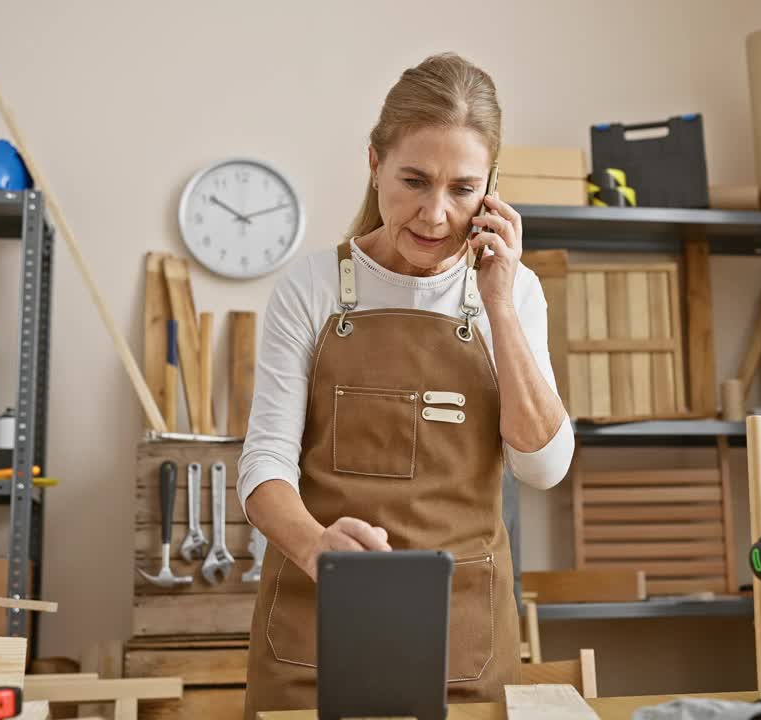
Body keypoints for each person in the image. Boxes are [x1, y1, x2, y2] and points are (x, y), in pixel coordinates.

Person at [238, 52, 574, 717]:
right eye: (414, 181)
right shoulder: (311, 287)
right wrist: (315, 548)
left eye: (463, 188)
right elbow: (263, 464)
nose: (435, 214)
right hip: (317, 624)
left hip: (463, 636)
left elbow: (543, 467)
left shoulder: (515, 294)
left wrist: (499, 303)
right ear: (374, 163)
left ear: (492, 189)